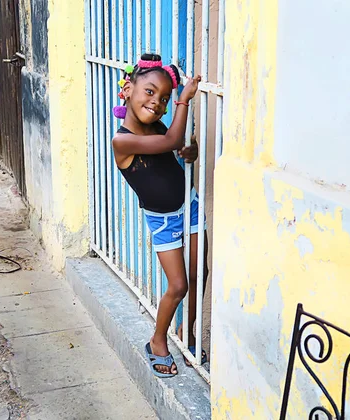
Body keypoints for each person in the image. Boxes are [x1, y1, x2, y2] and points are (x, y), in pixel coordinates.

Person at [112, 53, 206, 378]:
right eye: (150, 92)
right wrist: (184, 100)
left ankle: (188, 333)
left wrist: (187, 151)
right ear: (127, 90)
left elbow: (175, 146)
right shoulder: (121, 141)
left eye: (165, 98)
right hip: (163, 221)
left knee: (199, 274)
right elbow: (170, 141)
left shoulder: (159, 126)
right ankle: (157, 341)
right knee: (178, 285)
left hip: (188, 205)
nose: (157, 102)